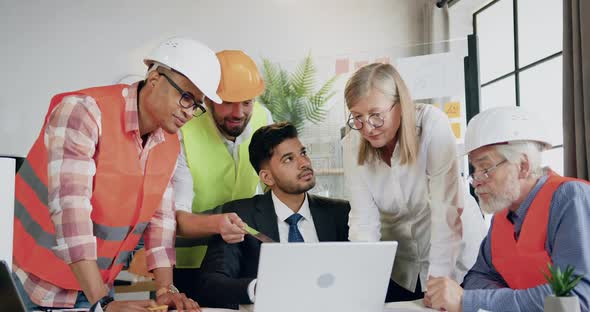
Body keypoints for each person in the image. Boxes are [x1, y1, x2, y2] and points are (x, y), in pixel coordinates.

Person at [11, 37, 220, 311]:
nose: (189, 111)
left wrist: (165, 289)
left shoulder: (170, 142)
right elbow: (70, 213)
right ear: (155, 79)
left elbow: (161, 221)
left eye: (197, 105)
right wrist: (104, 304)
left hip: (93, 287)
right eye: (186, 97)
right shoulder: (85, 113)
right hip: (29, 283)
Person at [342, 63, 486, 301]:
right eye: (357, 117)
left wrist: (439, 279)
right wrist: (362, 284)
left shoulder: (432, 125)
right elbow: (363, 223)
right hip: (405, 266)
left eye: (376, 115)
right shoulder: (351, 146)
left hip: (458, 256)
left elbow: (445, 211)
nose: (367, 128)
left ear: (400, 104)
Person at [425, 106, 590, 312]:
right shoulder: (502, 215)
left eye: (485, 169)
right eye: (474, 170)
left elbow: (575, 299)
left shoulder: (570, 198)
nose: (476, 181)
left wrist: (470, 301)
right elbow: (477, 278)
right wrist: (511, 300)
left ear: (522, 166)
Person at [196, 122, 350, 309]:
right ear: (267, 177)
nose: (304, 163)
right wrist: (260, 288)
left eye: (303, 153)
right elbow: (211, 283)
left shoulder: (340, 213)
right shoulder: (240, 216)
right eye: (288, 159)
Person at [172, 50, 274, 300]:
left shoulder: (263, 118)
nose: (238, 112)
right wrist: (218, 225)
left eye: (247, 102)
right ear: (207, 98)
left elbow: (274, 186)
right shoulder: (182, 128)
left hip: (242, 257)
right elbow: (175, 218)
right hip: (189, 265)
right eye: (227, 102)